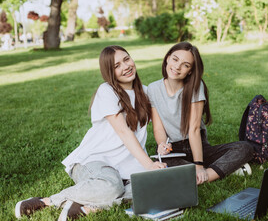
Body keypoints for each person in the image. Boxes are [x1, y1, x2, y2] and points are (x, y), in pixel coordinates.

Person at [14, 45, 167, 220]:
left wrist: (163, 144)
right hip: (95, 160)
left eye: (126, 59)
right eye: (116, 66)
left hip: (129, 164)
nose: (125, 67)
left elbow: (159, 127)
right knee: (112, 187)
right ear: (109, 72)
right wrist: (148, 164)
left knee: (152, 186)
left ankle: (86, 208)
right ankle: (46, 201)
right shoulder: (107, 91)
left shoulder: (146, 92)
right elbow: (123, 131)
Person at [147, 41, 253, 185]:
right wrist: (162, 144)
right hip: (174, 149)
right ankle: (217, 171)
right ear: (167, 58)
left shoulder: (195, 87)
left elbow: (194, 129)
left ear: (190, 71)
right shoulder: (153, 89)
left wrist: (198, 165)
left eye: (185, 65)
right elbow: (158, 128)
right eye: (175, 59)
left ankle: (204, 175)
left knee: (245, 148)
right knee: (164, 161)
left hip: (198, 146)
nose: (177, 67)